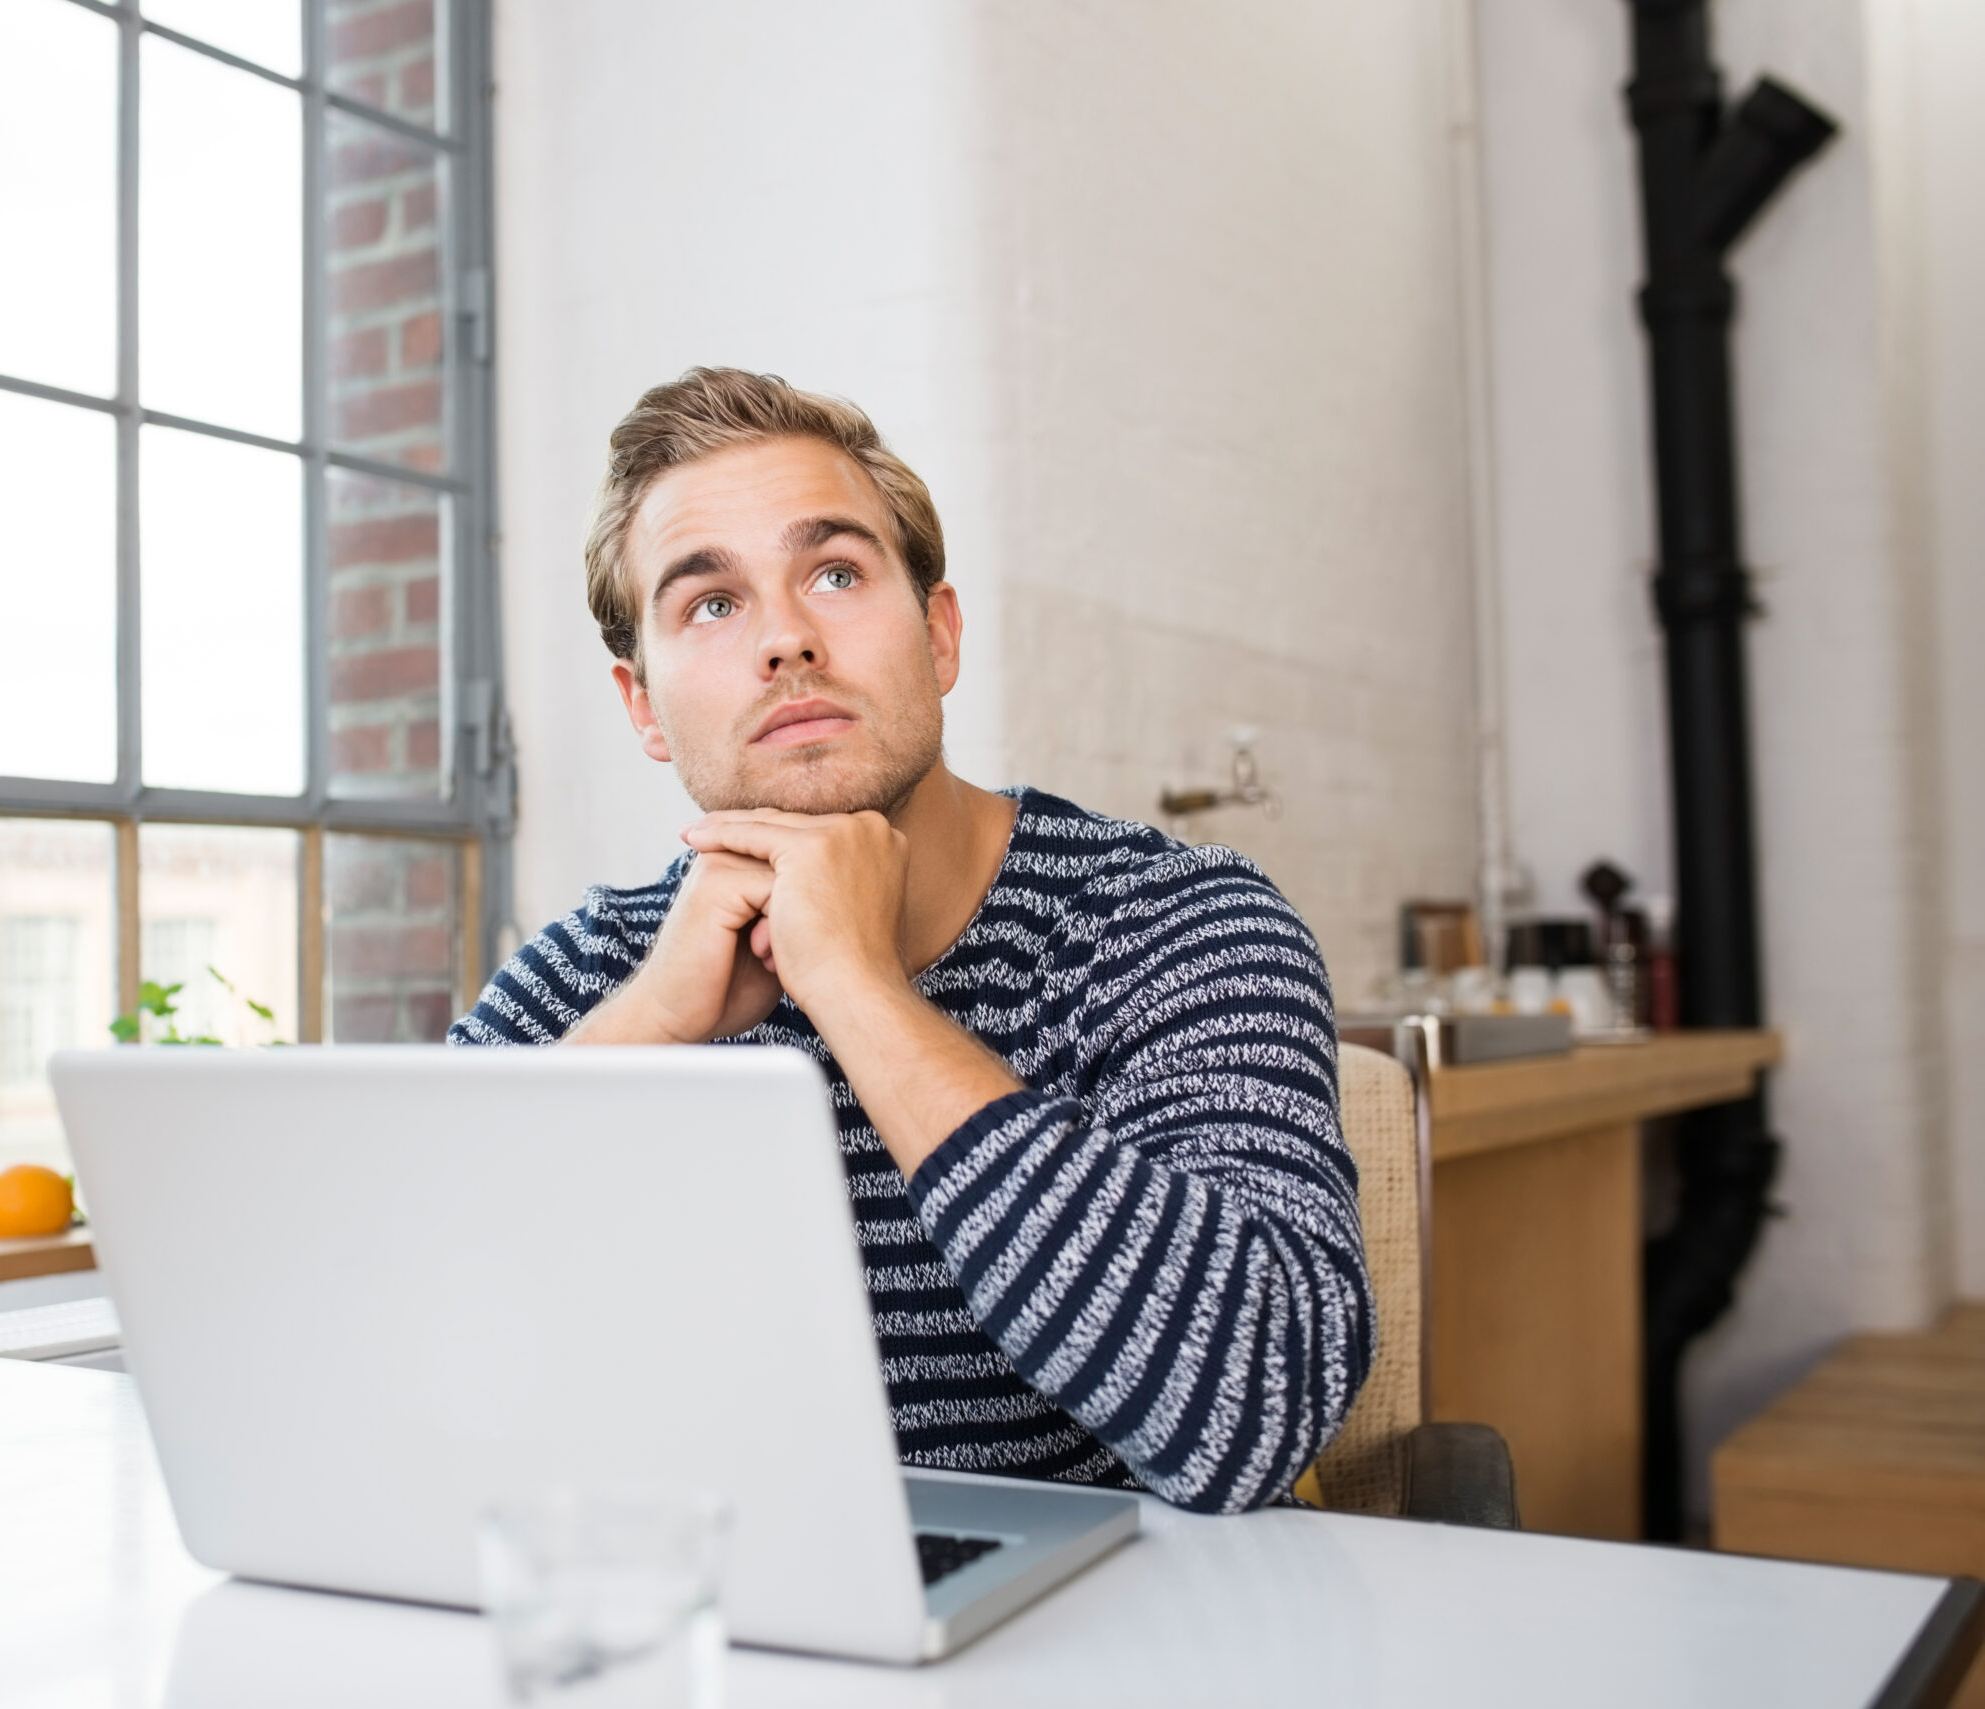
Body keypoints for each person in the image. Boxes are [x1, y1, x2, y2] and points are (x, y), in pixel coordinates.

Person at [451, 367, 1371, 1513]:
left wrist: (856, 987)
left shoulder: (1176, 921)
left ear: (937, 636)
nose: (785, 637)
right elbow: (383, 1343)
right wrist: (650, 1025)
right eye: (712, 603)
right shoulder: (599, 972)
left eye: (834, 573)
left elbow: (1252, 1410)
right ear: (643, 705)